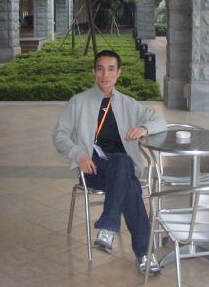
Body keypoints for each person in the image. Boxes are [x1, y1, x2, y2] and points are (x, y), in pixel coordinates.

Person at [53, 50, 167, 275]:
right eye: (100, 69)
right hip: (93, 168)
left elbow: (160, 121)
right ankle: (144, 254)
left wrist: (144, 128)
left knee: (123, 164)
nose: (105, 75)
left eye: (111, 69)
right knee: (129, 181)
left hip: (121, 168)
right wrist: (78, 154)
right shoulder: (78, 102)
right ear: (94, 72)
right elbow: (59, 135)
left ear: (118, 73)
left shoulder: (128, 104)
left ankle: (108, 225)